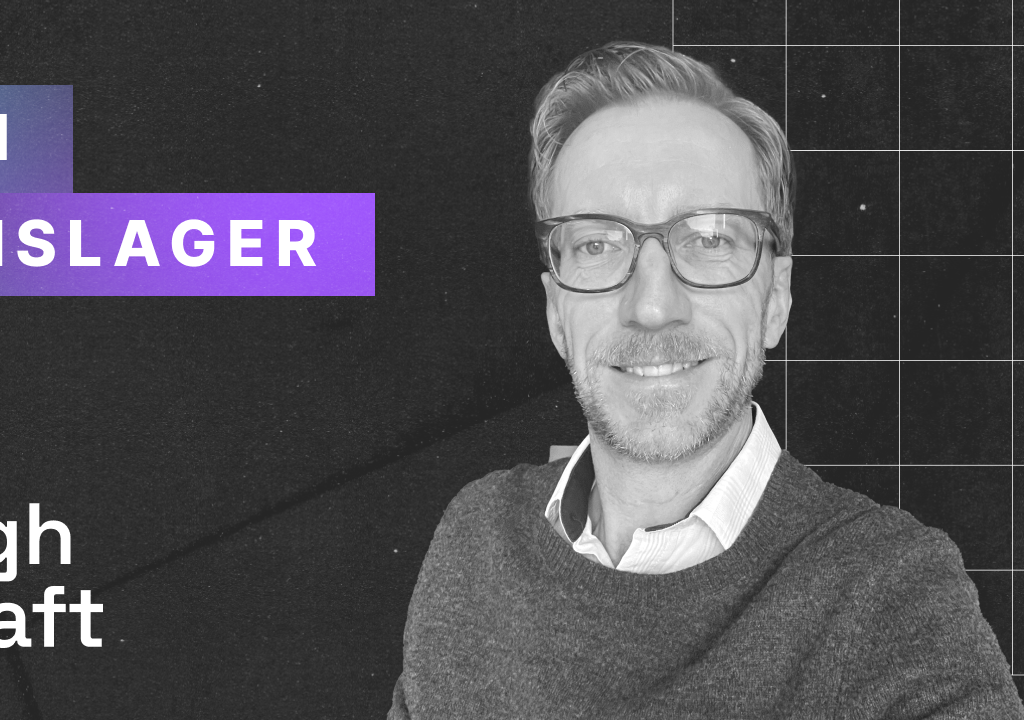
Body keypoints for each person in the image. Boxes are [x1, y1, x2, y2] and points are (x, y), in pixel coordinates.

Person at [388, 41, 1021, 718]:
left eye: (711, 239)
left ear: (776, 299)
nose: (652, 306)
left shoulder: (892, 592)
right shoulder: (476, 539)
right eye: (598, 244)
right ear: (555, 313)